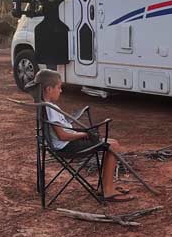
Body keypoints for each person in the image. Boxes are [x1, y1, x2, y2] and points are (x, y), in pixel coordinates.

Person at [27, 69, 133, 202]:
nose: (61, 91)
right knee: (113, 145)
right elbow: (63, 136)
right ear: (49, 89)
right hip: (67, 147)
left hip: (65, 144)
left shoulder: (43, 106)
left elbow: (62, 133)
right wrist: (82, 134)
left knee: (110, 142)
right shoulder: (50, 108)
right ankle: (108, 190)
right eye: (59, 88)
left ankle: (106, 186)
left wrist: (81, 133)